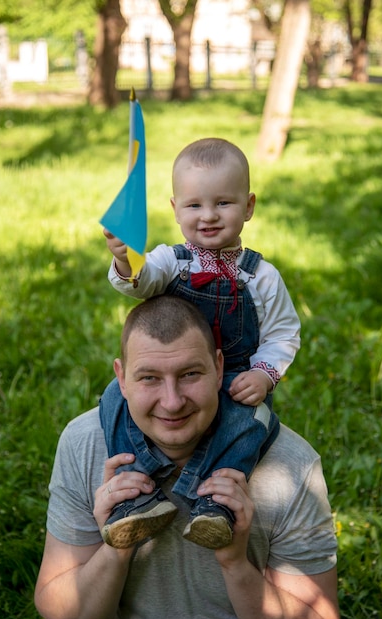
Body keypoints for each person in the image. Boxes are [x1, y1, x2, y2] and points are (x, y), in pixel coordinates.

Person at [35, 296, 339, 619]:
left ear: (219, 367)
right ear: (121, 378)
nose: (172, 401)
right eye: (149, 377)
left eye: (190, 374)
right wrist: (116, 547)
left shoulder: (291, 466)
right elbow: (63, 616)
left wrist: (235, 563)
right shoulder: (85, 443)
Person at [101, 138, 301, 550]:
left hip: (233, 379)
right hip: (176, 374)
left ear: (249, 206)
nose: (208, 216)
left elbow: (283, 332)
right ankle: (135, 489)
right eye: (194, 206)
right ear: (175, 210)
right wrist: (126, 259)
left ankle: (216, 501)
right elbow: (142, 281)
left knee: (251, 423)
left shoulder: (260, 276)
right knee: (112, 400)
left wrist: (263, 376)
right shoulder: (171, 261)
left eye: (223, 204)